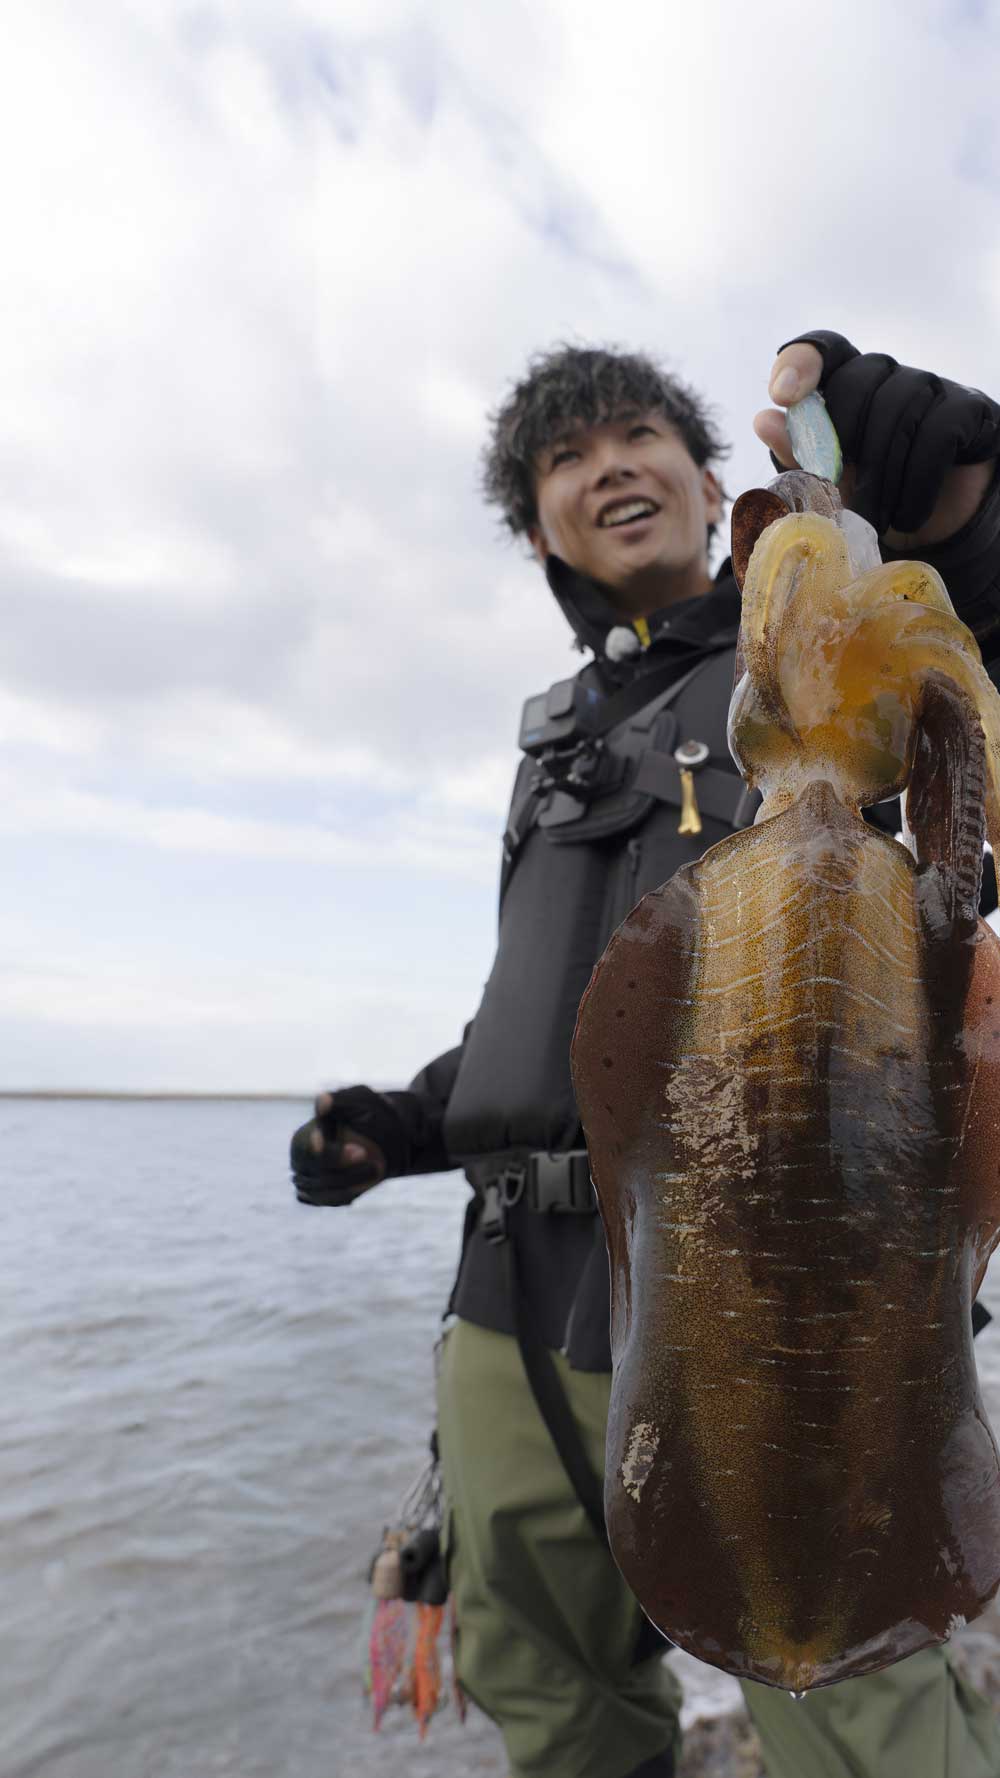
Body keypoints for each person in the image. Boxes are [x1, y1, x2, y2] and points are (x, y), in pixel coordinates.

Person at [292, 330, 1000, 1778]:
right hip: (508, 1297)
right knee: (544, 1680)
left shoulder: (815, 682)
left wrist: (977, 536)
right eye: (565, 455)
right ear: (536, 520)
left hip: (782, 1252)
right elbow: (550, 1009)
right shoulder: (553, 744)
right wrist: (406, 1120)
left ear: (703, 473)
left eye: (636, 436)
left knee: (857, 1690)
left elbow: (952, 853)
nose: (606, 463)